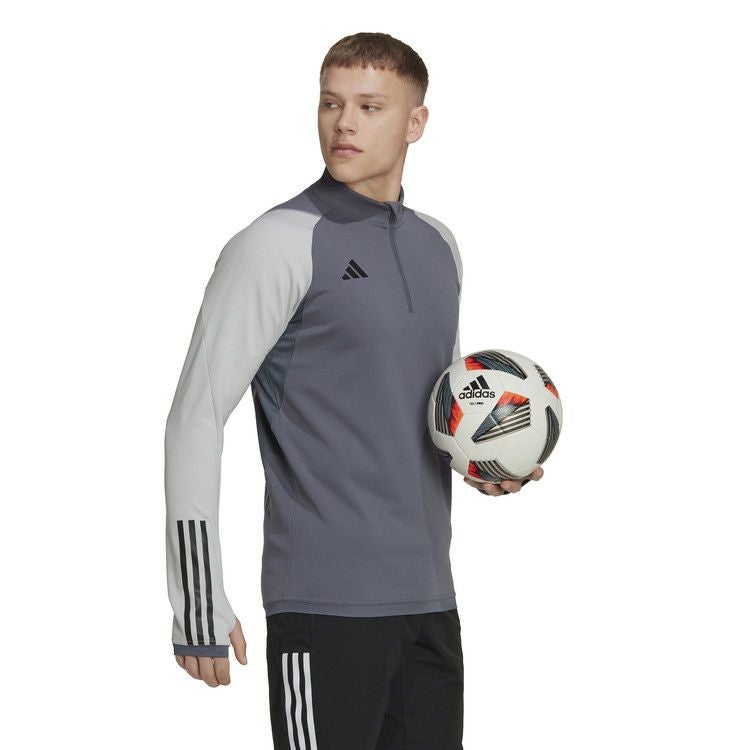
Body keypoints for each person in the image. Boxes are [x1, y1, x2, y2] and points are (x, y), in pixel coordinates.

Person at [164, 31, 543, 750]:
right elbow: (195, 418)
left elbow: (432, 405)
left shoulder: (439, 245)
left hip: (430, 601)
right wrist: (197, 599)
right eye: (331, 103)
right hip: (324, 605)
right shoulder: (278, 242)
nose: (344, 123)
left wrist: (483, 461)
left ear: (415, 122)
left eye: (370, 107)